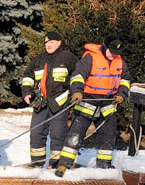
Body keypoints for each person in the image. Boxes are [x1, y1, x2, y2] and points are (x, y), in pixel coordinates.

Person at [54, 34, 131, 177]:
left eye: (117, 53)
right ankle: (64, 163)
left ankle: (104, 166)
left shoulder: (120, 62)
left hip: (109, 102)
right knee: (75, 133)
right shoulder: (90, 58)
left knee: (107, 135)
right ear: (105, 46)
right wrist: (77, 92)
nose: (114, 55)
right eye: (112, 51)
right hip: (87, 100)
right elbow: (77, 76)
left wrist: (122, 94)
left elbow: (125, 80)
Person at [21, 31, 79, 168]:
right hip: (40, 102)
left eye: (52, 42)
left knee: (58, 134)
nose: (49, 45)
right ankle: (36, 162)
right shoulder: (38, 59)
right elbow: (28, 76)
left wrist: (75, 91)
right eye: (46, 43)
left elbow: (77, 76)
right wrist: (27, 92)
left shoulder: (68, 58)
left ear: (59, 43)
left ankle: (56, 163)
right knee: (36, 133)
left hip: (60, 102)